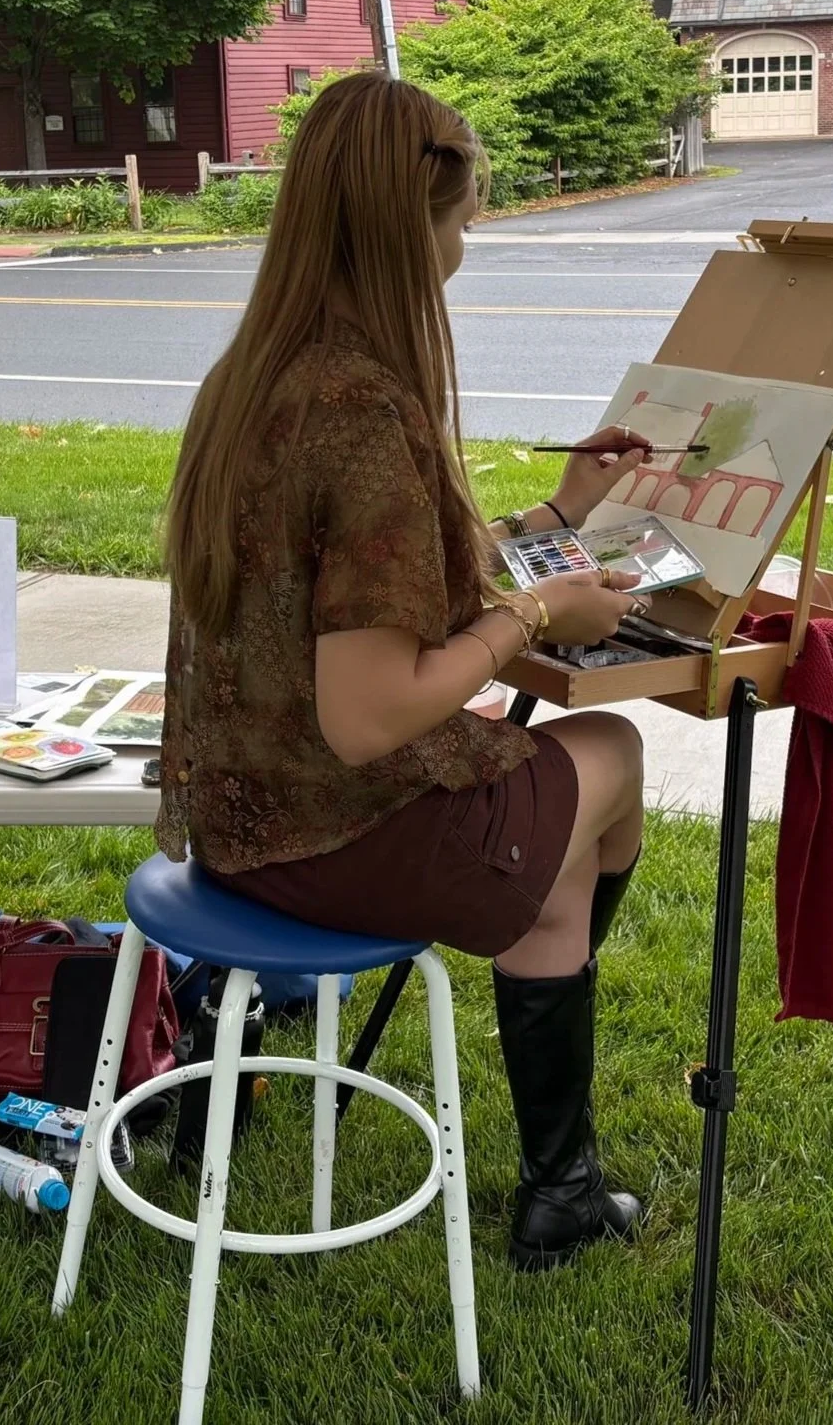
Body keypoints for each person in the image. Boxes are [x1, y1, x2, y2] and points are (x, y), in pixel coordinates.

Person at [156, 71, 653, 1271]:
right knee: (615, 755)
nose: (466, 245)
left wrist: (555, 511)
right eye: (464, 220)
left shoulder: (258, 374)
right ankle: (560, 1178)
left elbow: (357, 584)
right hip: (324, 835)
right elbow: (373, 712)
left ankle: (560, 1167)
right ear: (407, 223)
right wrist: (534, 610)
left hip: (231, 817)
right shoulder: (365, 411)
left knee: (558, 833)